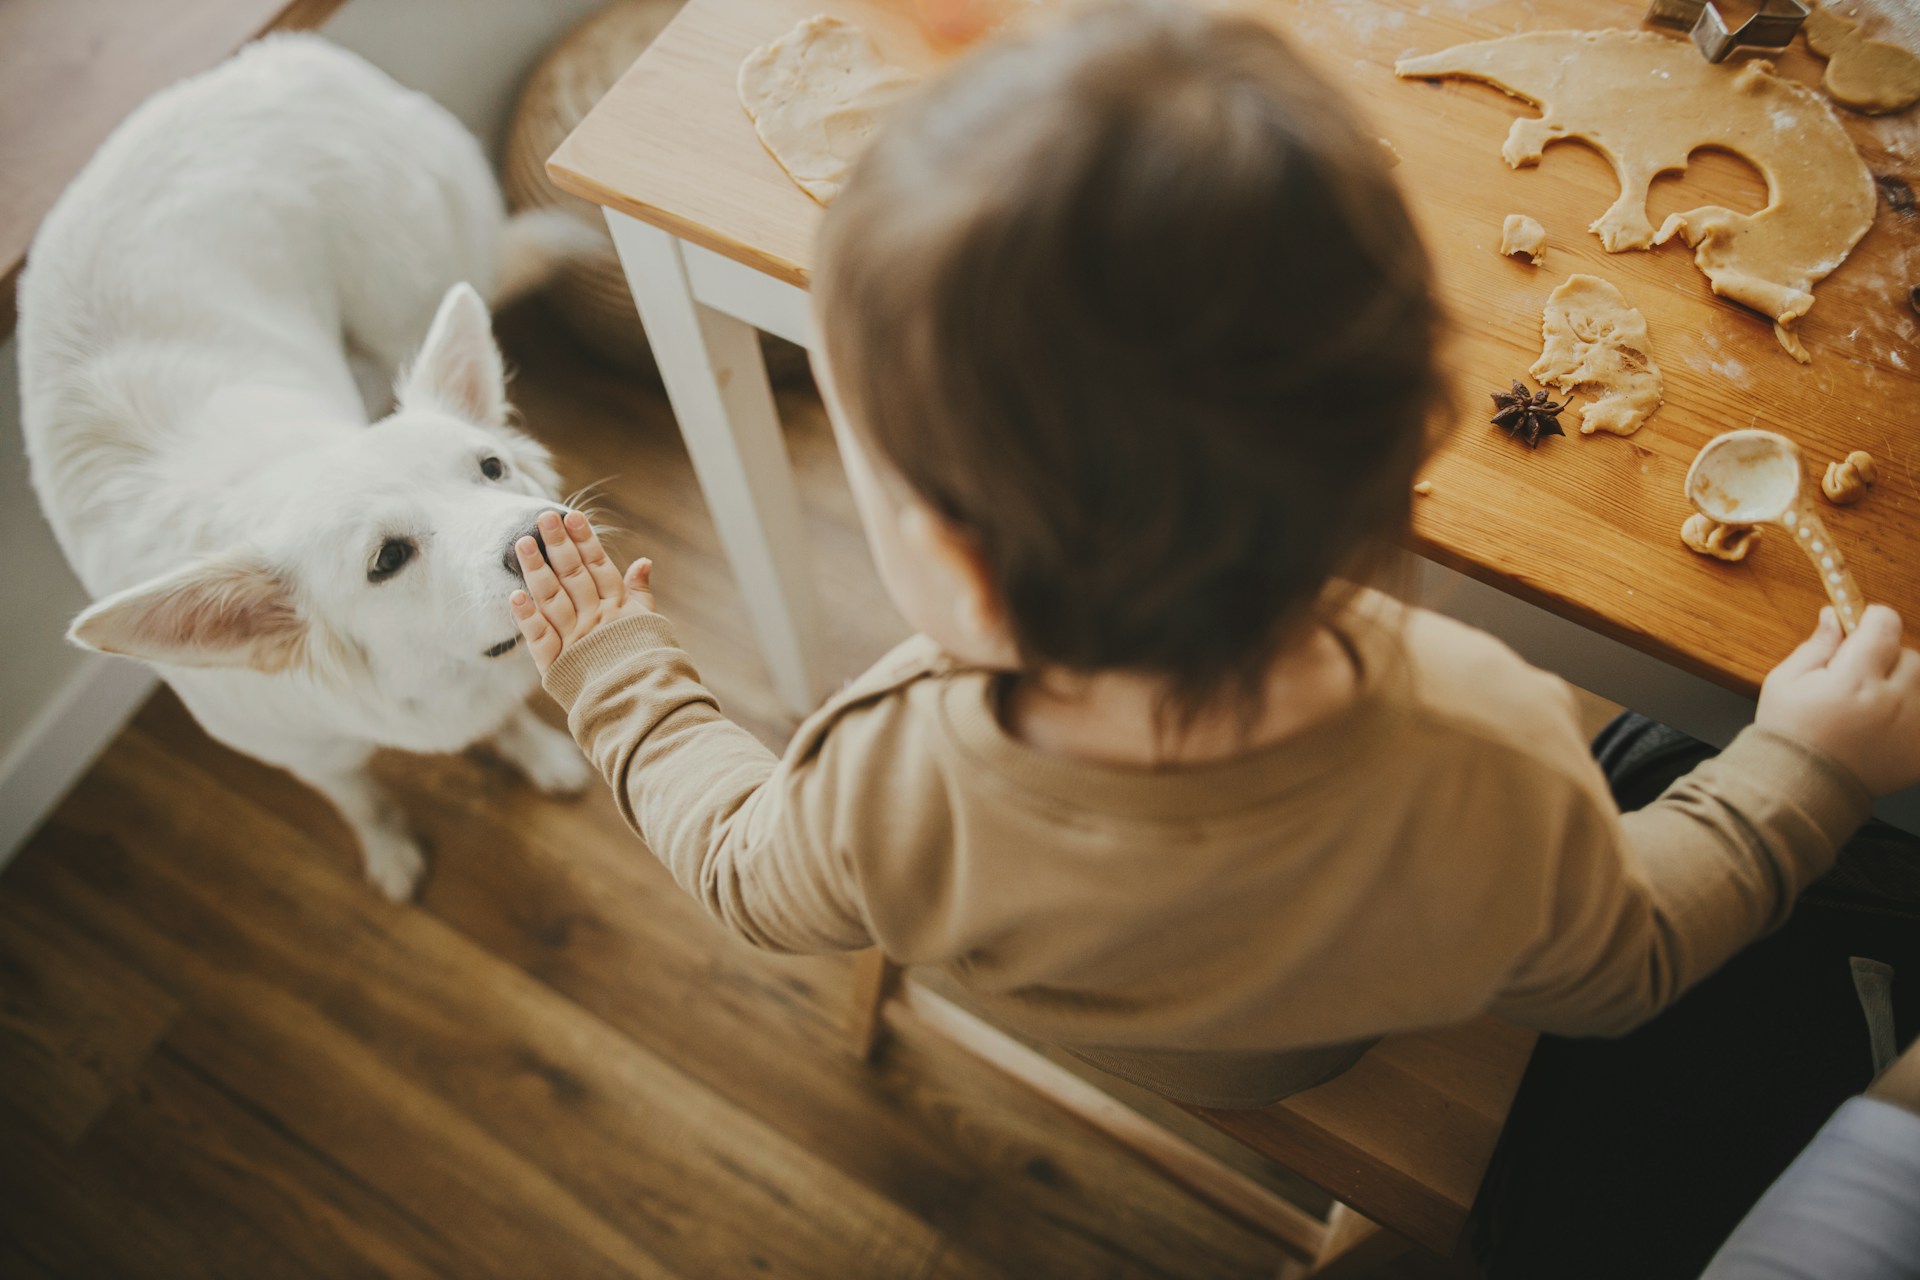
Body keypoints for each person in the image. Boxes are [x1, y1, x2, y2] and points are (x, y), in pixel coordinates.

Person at [503, 0, 1920, 1110]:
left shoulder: (891, 775)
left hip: (1067, 1015)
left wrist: (620, 676)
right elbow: (1627, 965)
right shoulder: (1482, 750)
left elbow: (745, 872)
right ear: (1405, 452)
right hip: (1308, 1059)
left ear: (965, 566)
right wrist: (1810, 770)